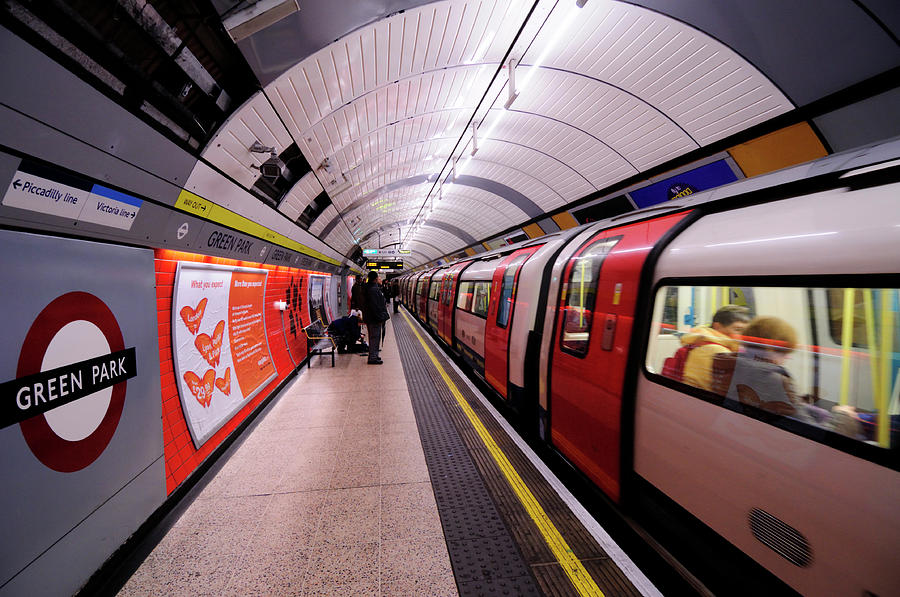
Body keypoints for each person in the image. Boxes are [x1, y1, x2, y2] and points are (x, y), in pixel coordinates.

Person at [679, 305, 751, 391]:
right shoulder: (719, 351)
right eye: (738, 329)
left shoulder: (700, 341)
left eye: (746, 331)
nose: (743, 335)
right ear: (717, 326)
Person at [360, 271, 389, 364]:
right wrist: (380, 317)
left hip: (370, 317)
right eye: (378, 278)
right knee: (375, 338)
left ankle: (375, 355)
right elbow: (375, 306)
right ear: (375, 279)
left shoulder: (368, 287)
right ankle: (373, 357)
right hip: (374, 318)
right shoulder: (373, 289)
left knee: (374, 337)